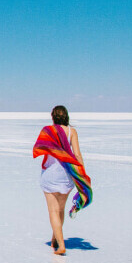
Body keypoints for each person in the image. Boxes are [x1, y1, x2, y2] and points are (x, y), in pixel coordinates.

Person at [37, 105, 85, 255]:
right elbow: (77, 155)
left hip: (51, 175)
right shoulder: (72, 132)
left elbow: (40, 147)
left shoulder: (48, 131)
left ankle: (61, 245)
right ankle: (55, 238)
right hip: (67, 175)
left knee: (53, 211)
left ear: (53, 117)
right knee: (60, 210)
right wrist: (81, 175)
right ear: (66, 116)